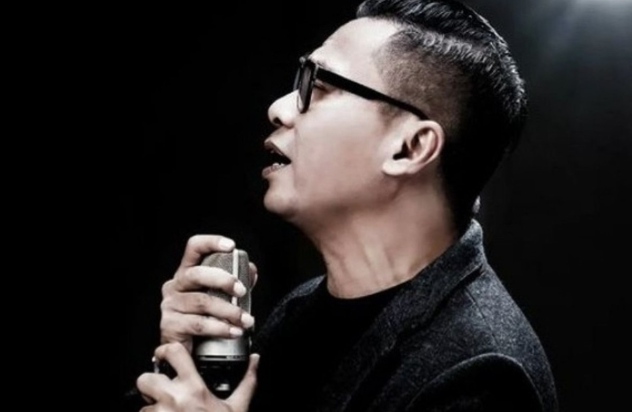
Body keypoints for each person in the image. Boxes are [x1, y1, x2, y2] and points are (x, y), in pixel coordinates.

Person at [135, 0, 558, 410]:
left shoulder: (483, 373)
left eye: (318, 86)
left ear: (410, 147)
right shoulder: (298, 315)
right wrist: (184, 370)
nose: (279, 109)